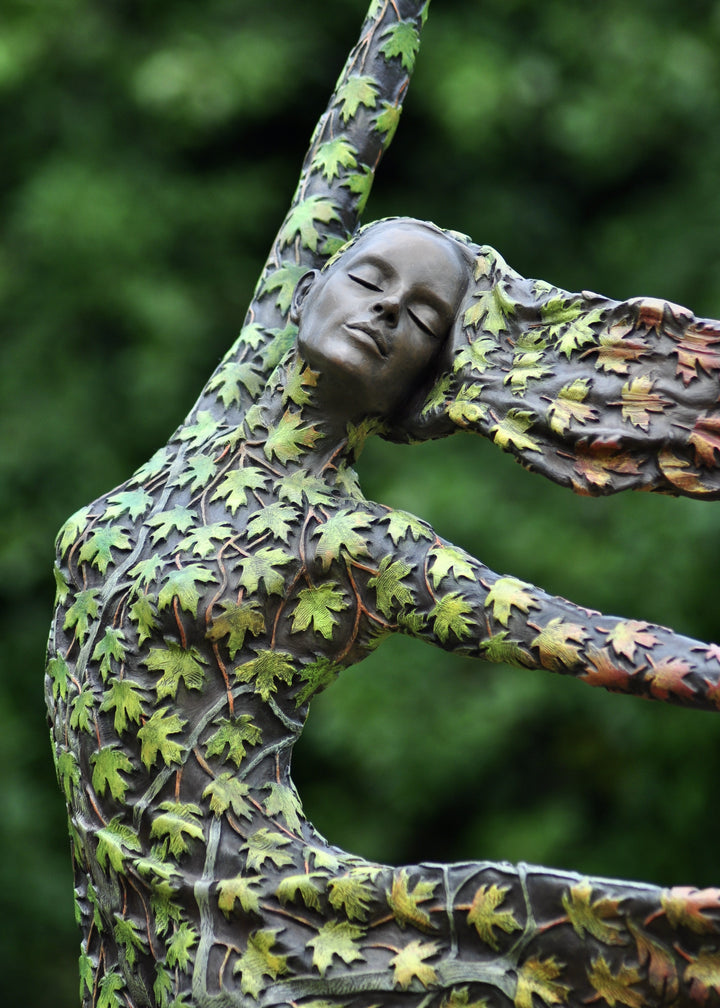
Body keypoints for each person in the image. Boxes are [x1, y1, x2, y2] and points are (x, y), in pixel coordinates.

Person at [46, 3, 720, 1007]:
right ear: (313, 284)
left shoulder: (366, 549)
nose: (384, 311)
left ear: (422, 388)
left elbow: (594, 642)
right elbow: (347, 137)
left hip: (246, 941)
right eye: (369, 279)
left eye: (420, 321)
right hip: (112, 937)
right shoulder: (241, 381)